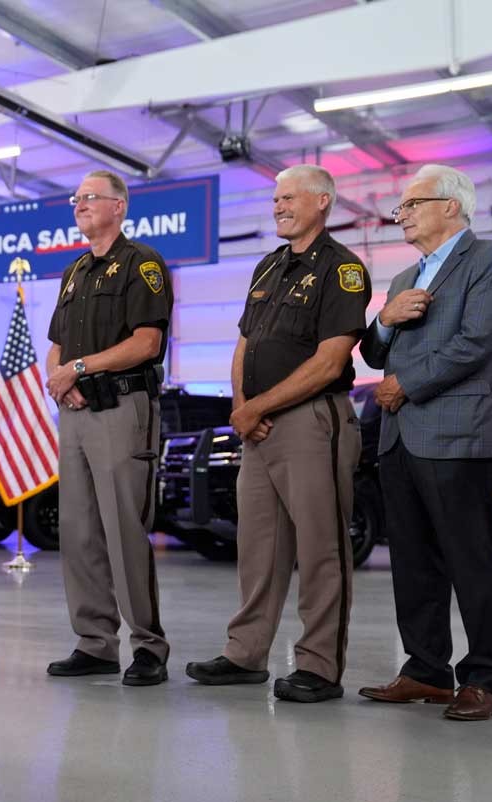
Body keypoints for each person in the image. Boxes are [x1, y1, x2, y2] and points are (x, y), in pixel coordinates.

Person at [185, 165, 369, 703]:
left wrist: (257, 406)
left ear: (323, 201)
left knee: (321, 547)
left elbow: (331, 359)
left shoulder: (343, 269)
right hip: (259, 427)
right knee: (257, 546)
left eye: (289, 197)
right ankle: (245, 654)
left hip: (313, 421)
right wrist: (242, 408)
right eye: (275, 198)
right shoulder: (268, 267)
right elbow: (245, 345)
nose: (278, 206)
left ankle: (319, 666)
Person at [358, 164, 492, 722]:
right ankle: (426, 671)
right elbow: (374, 354)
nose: (400, 215)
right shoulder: (405, 280)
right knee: (410, 560)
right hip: (400, 436)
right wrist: (383, 320)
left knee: (467, 556)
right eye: (401, 207)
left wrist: (407, 383)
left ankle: (484, 678)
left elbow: (477, 343)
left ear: (450, 206)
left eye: (411, 204)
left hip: (455, 431)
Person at [43, 170, 173, 687]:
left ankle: (148, 647)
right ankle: (95, 643)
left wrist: (79, 369)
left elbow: (147, 343)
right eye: (76, 197)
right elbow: (56, 342)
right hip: (75, 411)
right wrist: (61, 378)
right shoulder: (74, 271)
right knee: (78, 532)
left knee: (124, 530)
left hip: (121, 408)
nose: (80, 204)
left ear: (119, 206)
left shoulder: (141, 263)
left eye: (90, 197)